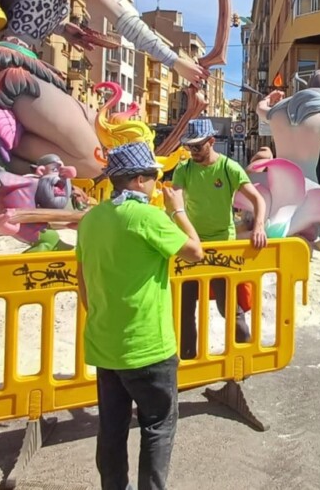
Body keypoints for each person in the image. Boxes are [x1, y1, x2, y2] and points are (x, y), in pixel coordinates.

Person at [75, 135, 203, 490]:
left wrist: (100, 314)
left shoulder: (91, 219)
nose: (157, 184)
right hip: (148, 345)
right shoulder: (147, 217)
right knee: (158, 425)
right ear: (138, 179)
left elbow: (82, 281)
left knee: (112, 428)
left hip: (105, 343)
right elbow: (195, 251)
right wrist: (178, 210)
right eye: (154, 177)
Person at [171, 119, 268, 359]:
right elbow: (177, 199)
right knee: (184, 307)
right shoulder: (184, 169)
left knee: (230, 307)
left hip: (223, 246)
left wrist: (259, 227)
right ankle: (188, 359)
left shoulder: (228, 167)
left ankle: (242, 357)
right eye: (189, 147)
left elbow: (258, 199)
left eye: (197, 146)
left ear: (211, 141)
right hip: (192, 246)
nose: (193, 151)